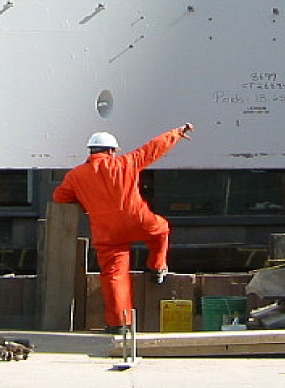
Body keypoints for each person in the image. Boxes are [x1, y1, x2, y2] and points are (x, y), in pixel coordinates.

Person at [52, 123, 193, 333]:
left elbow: (59, 198)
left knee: (114, 274)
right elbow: (153, 148)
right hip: (139, 221)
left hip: (106, 230)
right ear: (112, 151)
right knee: (161, 229)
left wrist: (87, 203)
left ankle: (119, 324)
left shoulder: (75, 176)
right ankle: (157, 267)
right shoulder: (127, 163)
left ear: (91, 151)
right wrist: (177, 133)